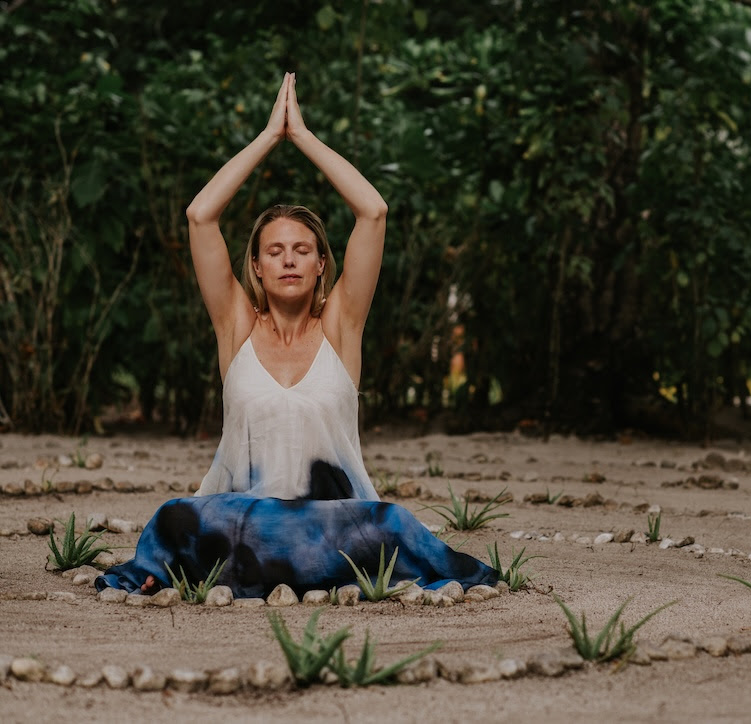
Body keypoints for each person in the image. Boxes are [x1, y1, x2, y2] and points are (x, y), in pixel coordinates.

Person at [96, 73, 497, 598]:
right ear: (257, 267)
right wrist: (269, 136)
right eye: (275, 251)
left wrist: (302, 136)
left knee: (392, 521)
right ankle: (286, 570)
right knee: (175, 516)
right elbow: (199, 216)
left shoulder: (342, 326)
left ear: (321, 263)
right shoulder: (236, 327)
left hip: (334, 527)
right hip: (244, 524)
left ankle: (268, 571)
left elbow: (373, 211)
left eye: (302, 250)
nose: (288, 259)